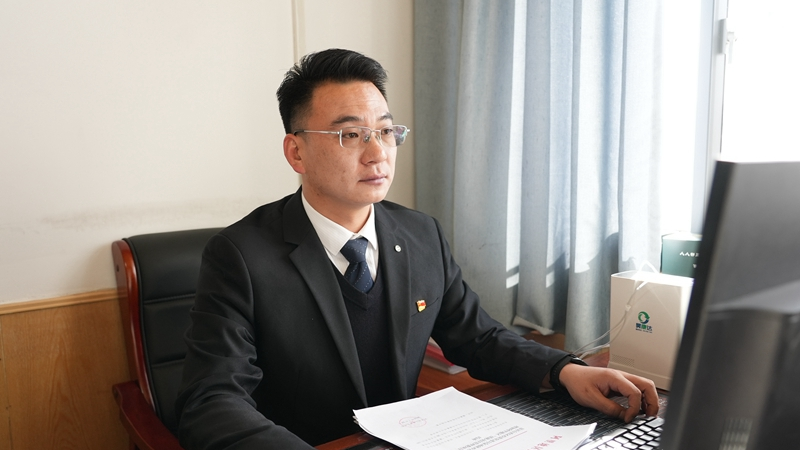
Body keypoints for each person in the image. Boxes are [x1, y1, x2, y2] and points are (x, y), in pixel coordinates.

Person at [175, 48, 659, 449]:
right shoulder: (240, 255)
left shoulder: (420, 233)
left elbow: (477, 338)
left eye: (386, 131)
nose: (377, 153)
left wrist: (566, 370)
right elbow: (212, 401)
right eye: (350, 135)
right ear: (296, 151)